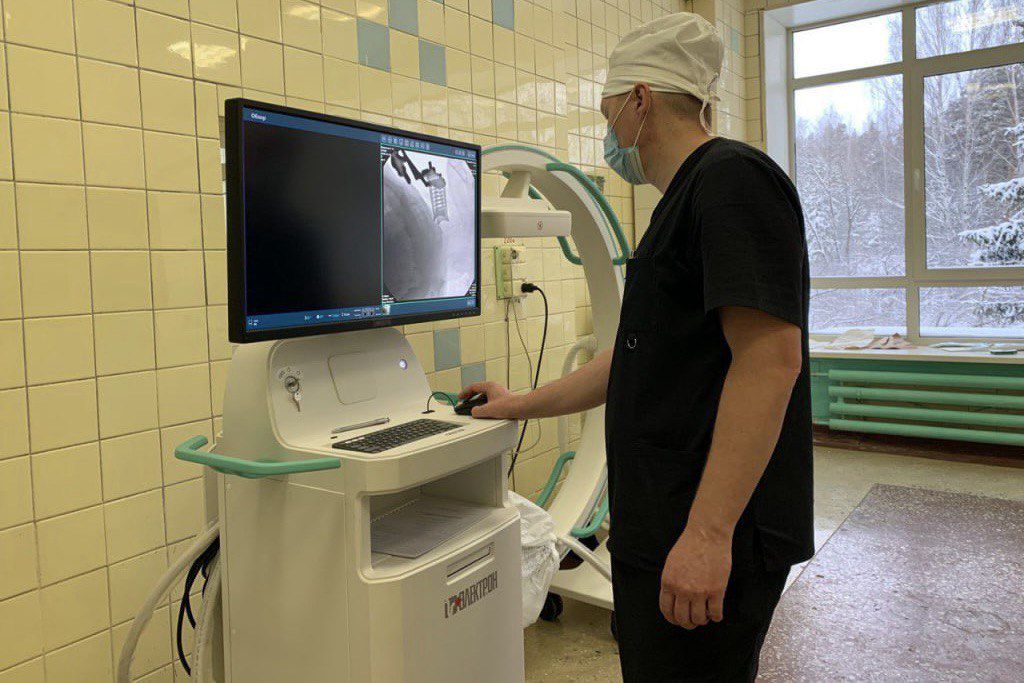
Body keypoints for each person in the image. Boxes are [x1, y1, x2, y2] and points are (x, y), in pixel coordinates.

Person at [460, 11, 814, 682]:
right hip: (665, 518)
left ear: (640, 99)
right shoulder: (680, 202)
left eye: (608, 114)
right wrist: (518, 404)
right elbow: (632, 357)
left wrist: (707, 535)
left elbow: (771, 361)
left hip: (710, 528)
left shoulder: (733, 180)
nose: (610, 134)